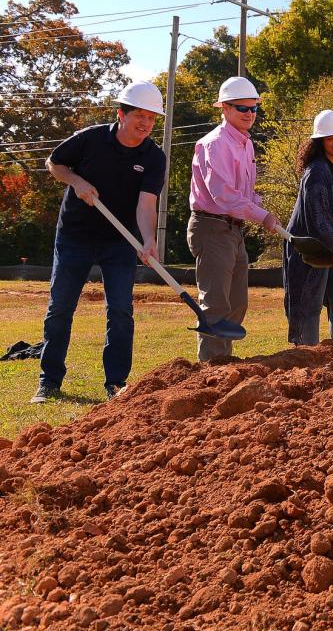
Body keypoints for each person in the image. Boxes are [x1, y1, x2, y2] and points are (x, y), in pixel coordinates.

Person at [32, 82, 168, 403]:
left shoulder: (153, 157)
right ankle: (48, 381)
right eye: (139, 115)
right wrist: (77, 180)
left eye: (152, 118)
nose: (146, 123)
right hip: (75, 237)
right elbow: (54, 163)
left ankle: (116, 385)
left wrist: (147, 240)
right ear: (121, 114)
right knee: (61, 308)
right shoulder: (90, 139)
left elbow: (146, 204)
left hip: (119, 241)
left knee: (120, 310)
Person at [187, 76, 283, 362]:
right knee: (216, 305)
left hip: (233, 229)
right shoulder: (215, 144)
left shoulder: (246, 144)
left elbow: (245, 193)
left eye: (254, 108)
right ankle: (211, 371)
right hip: (211, 226)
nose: (250, 114)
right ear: (225, 109)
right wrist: (261, 215)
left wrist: (260, 208)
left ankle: (224, 364)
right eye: (242, 108)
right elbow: (224, 196)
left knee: (236, 304)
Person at [284, 111, 333, 345]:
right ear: (320, 143)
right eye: (330, 139)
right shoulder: (316, 173)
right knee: (310, 300)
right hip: (310, 245)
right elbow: (317, 221)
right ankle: (308, 353)